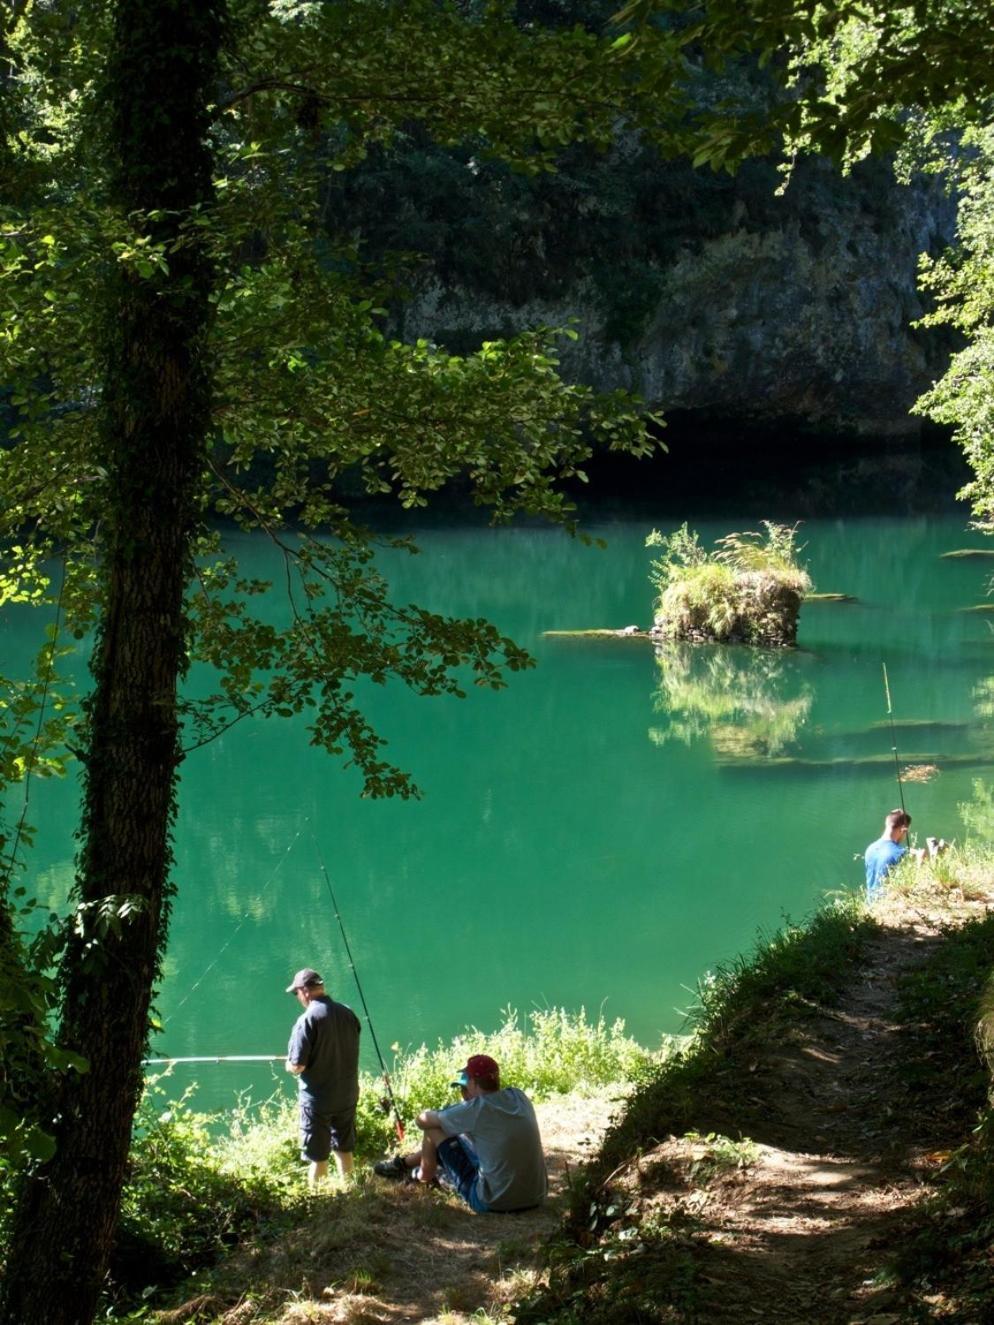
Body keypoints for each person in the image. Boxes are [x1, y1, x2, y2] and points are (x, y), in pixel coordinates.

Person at [373, 1053, 547, 1213]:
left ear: (472, 1082)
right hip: (536, 1197)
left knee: (433, 1128)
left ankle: (422, 1175)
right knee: (454, 1135)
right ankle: (405, 1164)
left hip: (492, 1202)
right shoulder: (518, 1097)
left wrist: (429, 1113)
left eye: (466, 1084)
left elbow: (422, 1121)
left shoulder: (477, 1108)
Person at [285, 967, 361, 1189]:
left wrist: (288, 1065)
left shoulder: (306, 1020)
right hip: (347, 1095)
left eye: (296, 993)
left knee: (318, 1156)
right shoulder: (348, 1013)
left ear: (305, 992)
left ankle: (319, 1200)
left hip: (318, 1101)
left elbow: (298, 1065)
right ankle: (351, 1191)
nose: (297, 997)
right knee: (344, 1147)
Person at [863, 808, 912, 897]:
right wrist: (921, 860)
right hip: (888, 906)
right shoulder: (900, 853)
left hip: (870, 907)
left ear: (887, 823)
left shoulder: (870, 849)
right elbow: (910, 886)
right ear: (903, 829)